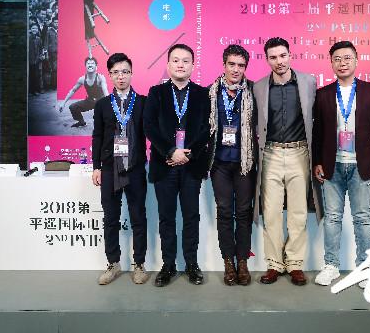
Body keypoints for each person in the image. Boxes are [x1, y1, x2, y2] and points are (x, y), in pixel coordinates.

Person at [312, 41, 370, 286]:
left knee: (362, 218)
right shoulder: (323, 94)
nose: (342, 63)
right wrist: (317, 161)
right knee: (332, 218)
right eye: (337, 59)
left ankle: (364, 267)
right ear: (331, 63)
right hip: (332, 165)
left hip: (361, 165)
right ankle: (331, 266)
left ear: (356, 61)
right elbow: (318, 132)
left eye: (347, 58)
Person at [253, 37, 320, 286]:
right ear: (267, 59)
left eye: (283, 55)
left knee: (298, 213)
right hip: (270, 154)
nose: (279, 61)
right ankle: (274, 264)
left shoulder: (308, 82)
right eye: (273, 57)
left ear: (290, 55)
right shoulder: (259, 87)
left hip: (299, 152)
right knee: (270, 213)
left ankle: (294, 263)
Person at [143, 44, 211, 287]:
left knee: (191, 216)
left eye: (185, 60)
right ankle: (168, 265)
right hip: (165, 165)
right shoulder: (156, 92)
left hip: (191, 166)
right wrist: (171, 151)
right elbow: (149, 126)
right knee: (166, 217)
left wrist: (187, 155)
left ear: (193, 65)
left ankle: (191, 264)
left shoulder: (203, 94)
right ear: (168, 65)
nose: (180, 64)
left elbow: (207, 128)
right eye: (176, 60)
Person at [91, 52, 149, 285]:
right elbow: (97, 136)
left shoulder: (142, 102)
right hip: (109, 168)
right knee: (111, 218)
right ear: (110, 75)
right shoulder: (102, 105)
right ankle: (113, 263)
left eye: (125, 71)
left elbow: (151, 133)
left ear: (131, 73)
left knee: (138, 217)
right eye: (115, 72)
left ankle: (139, 264)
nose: (121, 76)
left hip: (135, 167)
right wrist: (96, 166)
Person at [208, 44, 257, 286]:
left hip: (244, 163)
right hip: (219, 163)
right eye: (232, 64)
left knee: (244, 212)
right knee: (225, 212)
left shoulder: (254, 91)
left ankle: (243, 261)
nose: (236, 69)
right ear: (224, 65)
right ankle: (228, 261)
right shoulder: (210, 92)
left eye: (241, 65)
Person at [59, 57, 109, 127]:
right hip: (90, 101)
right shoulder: (82, 79)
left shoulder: (100, 78)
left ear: (96, 66)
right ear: (85, 66)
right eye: (88, 63)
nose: (90, 65)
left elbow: (105, 91)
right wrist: (63, 103)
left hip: (101, 102)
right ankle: (81, 122)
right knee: (73, 107)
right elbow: (73, 90)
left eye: (92, 63)